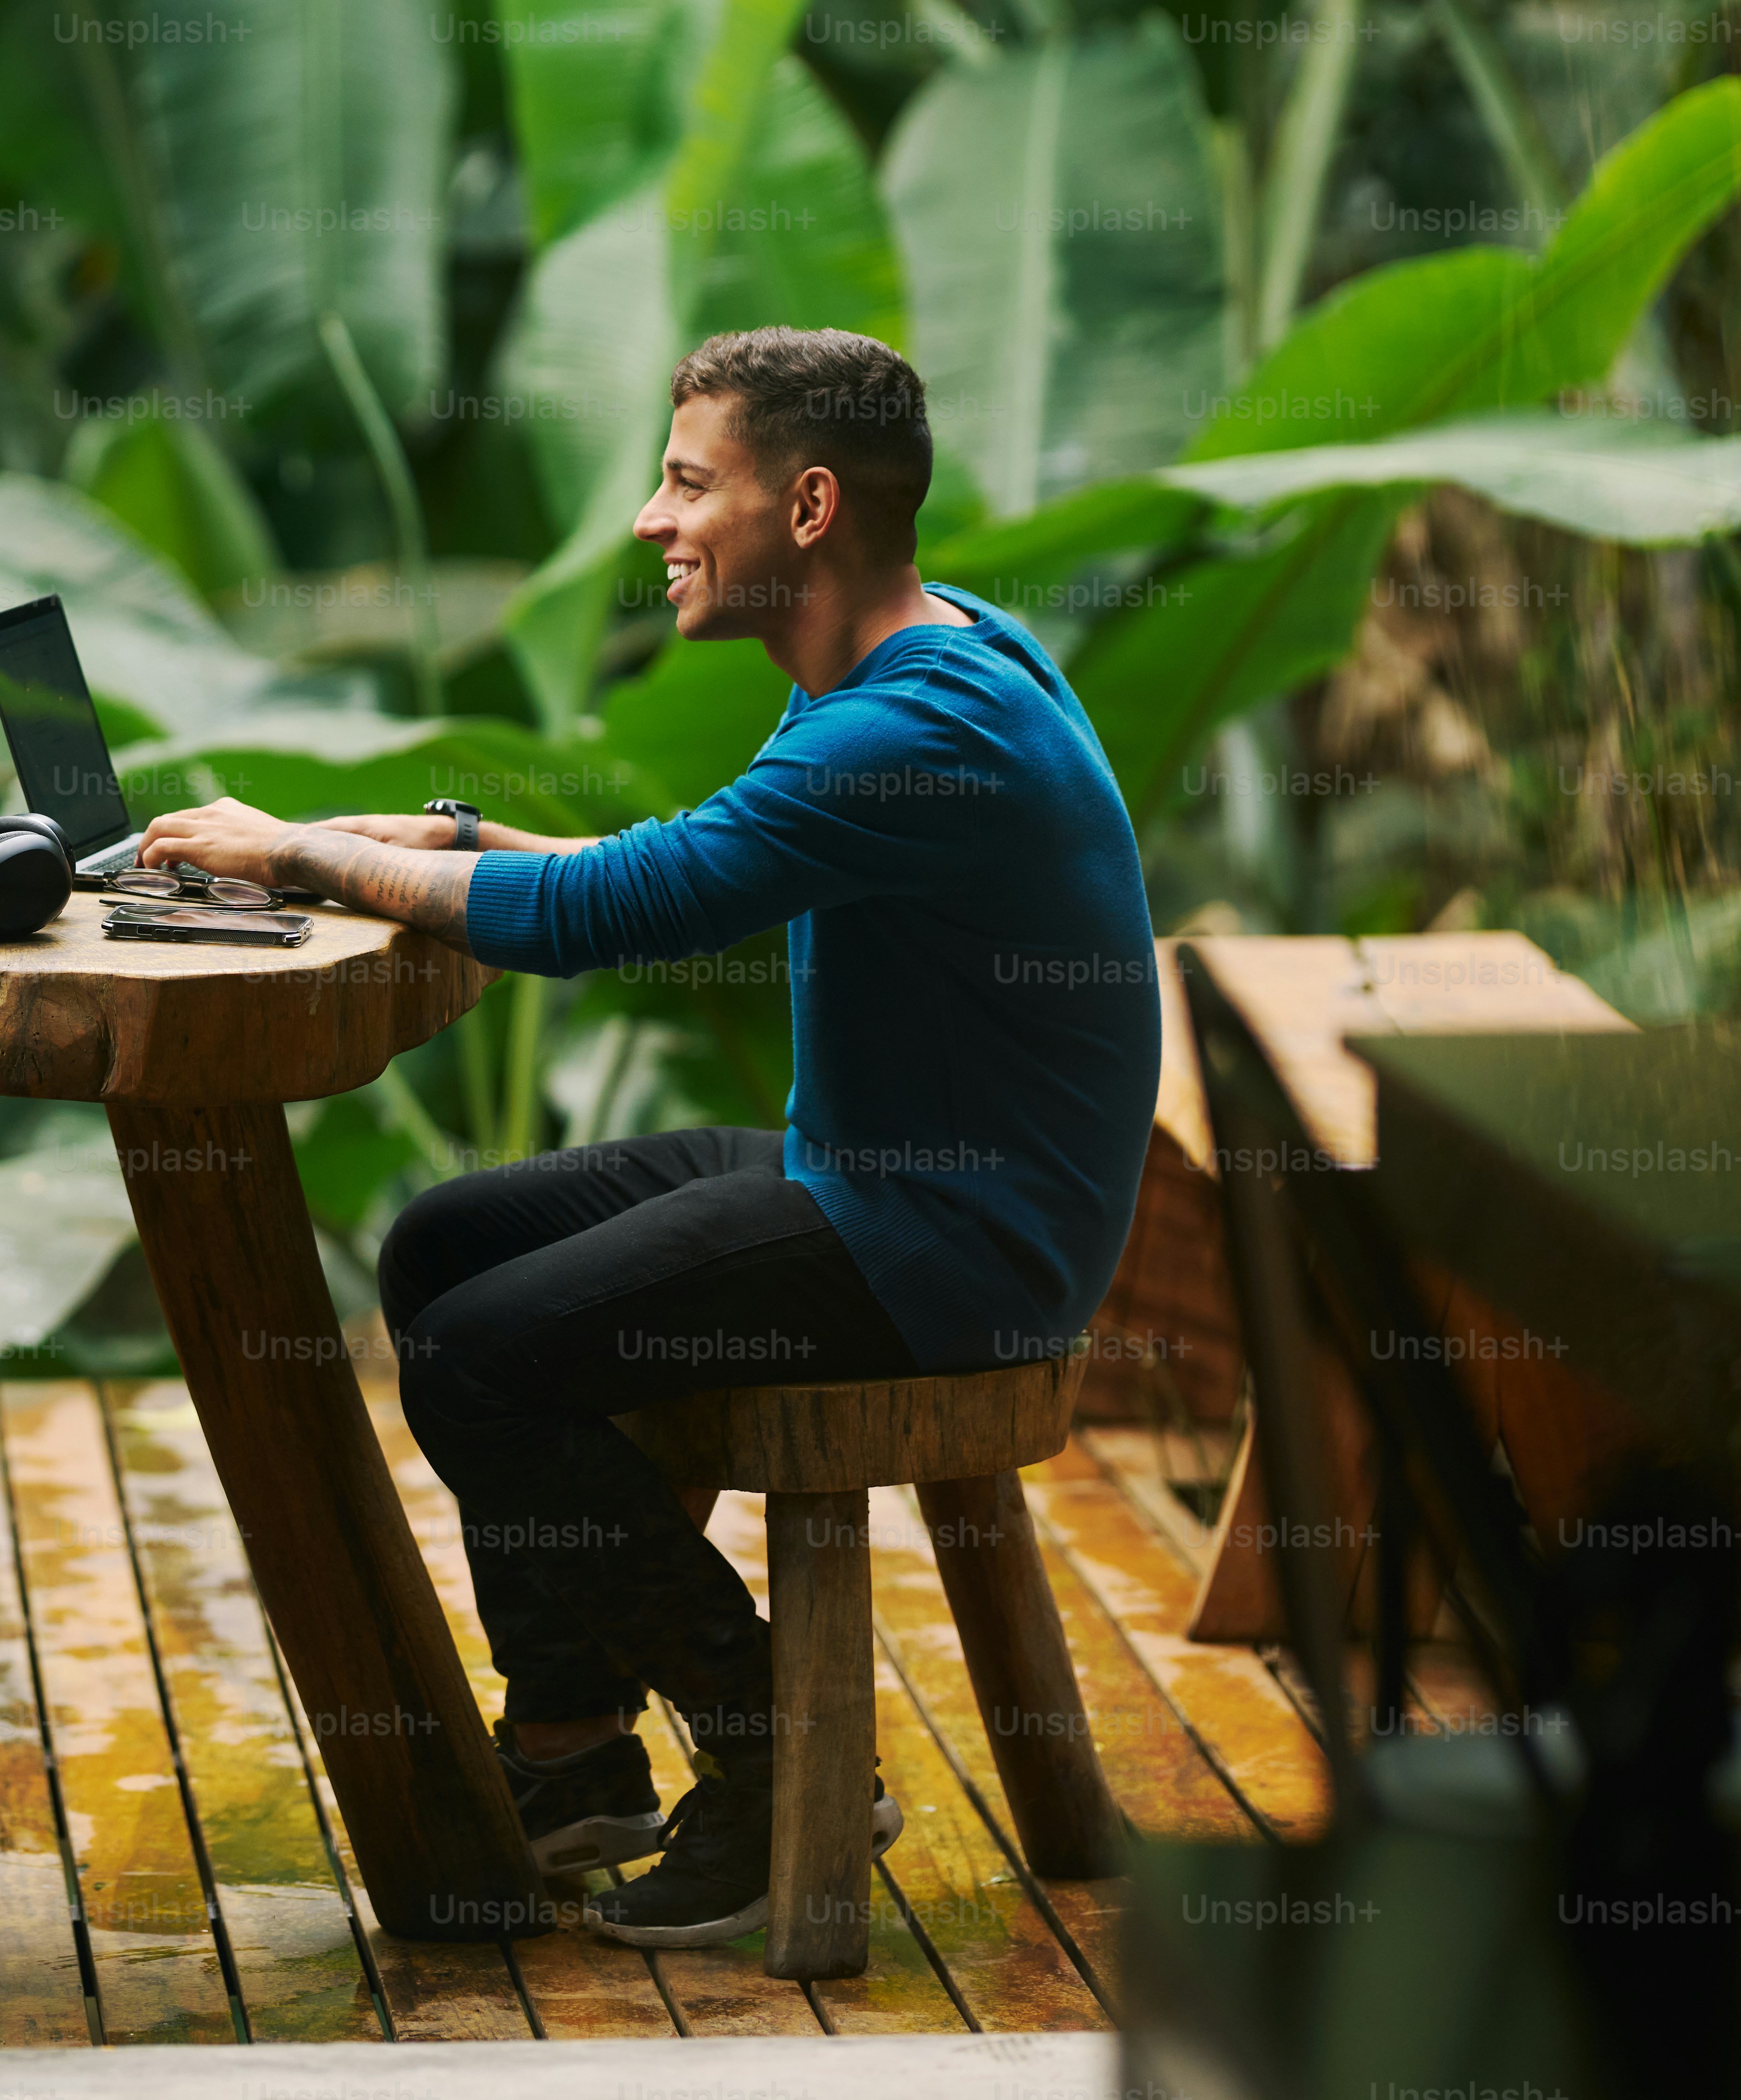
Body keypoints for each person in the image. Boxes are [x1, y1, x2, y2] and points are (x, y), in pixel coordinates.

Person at [132, 327, 1159, 1949]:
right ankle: (575, 1750)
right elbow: (689, 861)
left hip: (953, 1244)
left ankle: (772, 1749)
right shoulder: (910, 661)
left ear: (808, 506)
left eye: (688, 483)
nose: (648, 521)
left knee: (475, 1355)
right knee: (446, 1247)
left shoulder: (912, 725)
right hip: (880, 1174)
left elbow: (621, 908)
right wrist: (451, 838)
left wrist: (309, 857)